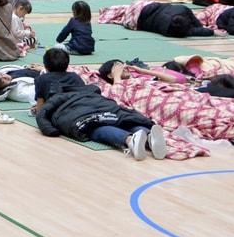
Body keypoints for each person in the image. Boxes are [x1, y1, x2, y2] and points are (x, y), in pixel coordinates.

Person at [32, 48, 166, 160]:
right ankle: (148, 135)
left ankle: (130, 140)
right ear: (67, 64)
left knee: (93, 126)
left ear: (46, 65)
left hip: (71, 109)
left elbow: (41, 109)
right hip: (95, 101)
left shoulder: (42, 79)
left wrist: (49, 128)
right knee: (118, 119)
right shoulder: (74, 76)